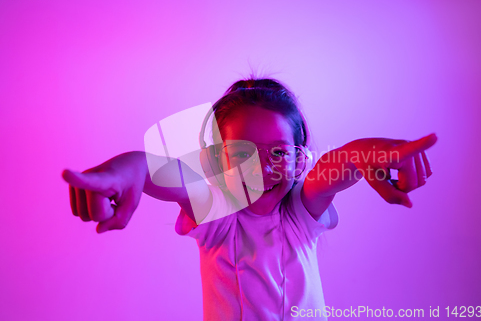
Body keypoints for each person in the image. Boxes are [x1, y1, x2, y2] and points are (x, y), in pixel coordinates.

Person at [62, 78, 437, 320]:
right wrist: (129, 170)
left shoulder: (299, 215)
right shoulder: (217, 217)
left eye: (277, 153)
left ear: (299, 157)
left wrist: (374, 152)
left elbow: (338, 163)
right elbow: (162, 171)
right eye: (241, 153)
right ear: (216, 158)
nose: (259, 170)